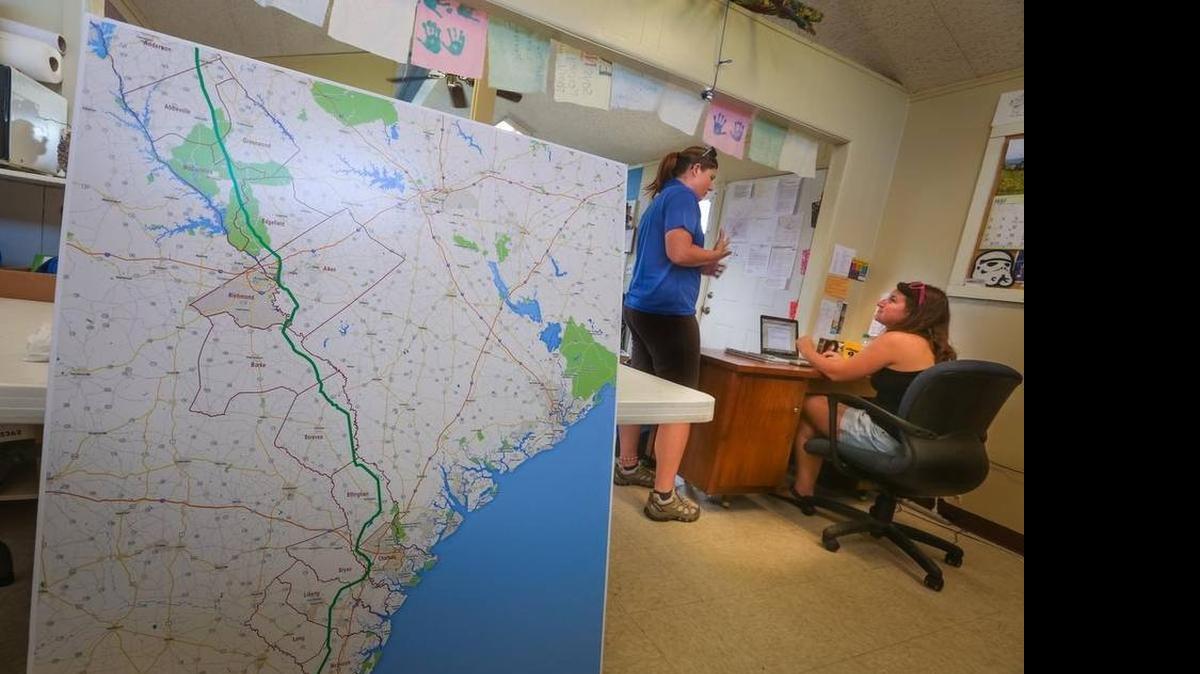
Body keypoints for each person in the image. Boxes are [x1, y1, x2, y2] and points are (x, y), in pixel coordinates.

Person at [615, 146, 731, 523]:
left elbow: (669, 258)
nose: (710, 187)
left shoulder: (660, 199)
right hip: (668, 314)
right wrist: (711, 255)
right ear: (696, 169)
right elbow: (679, 252)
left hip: (641, 307)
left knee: (642, 393)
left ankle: (629, 465)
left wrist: (703, 266)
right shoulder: (683, 196)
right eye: (710, 178)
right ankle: (664, 496)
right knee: (679, 404)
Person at [788, 281, 956, 499]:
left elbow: (836, 374)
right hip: (916, 441)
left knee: (810, 403)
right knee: (811, 419)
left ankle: (802, 491)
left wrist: (807, 349)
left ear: (915, 313)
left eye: (892, 300)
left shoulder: (897, 340)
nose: (881, 302)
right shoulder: (932, 346)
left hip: (888, 439)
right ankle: (803, 491)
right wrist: (841, 363)